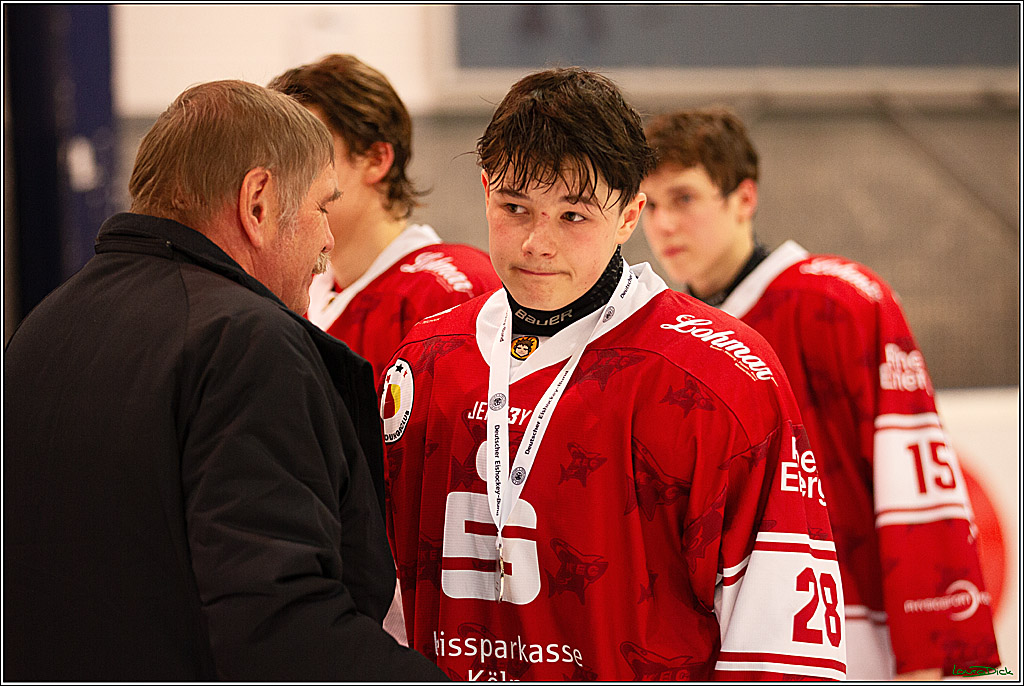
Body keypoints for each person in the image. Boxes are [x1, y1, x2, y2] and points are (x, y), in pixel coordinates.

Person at [379, 67, 848, 681]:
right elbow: (383, 602)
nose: (536, 244)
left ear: (630, 214)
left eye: (573, 216)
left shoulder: (720, 376)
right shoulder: (428, 362)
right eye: (515, 207)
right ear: (486, 189)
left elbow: (783, 638)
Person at [3, 80, 445, 681]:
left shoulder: (45, 326)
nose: (327, 240)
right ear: (258, 202)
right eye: (320, 206)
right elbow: (283, 628)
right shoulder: (246, 342)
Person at [639, 106, 1001, 680]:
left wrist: (933, 652)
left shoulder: (839, 303)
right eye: (650, 205)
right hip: (731, 645)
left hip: (851, 643)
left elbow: (916, 482)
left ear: (744, 198)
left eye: (684, 198)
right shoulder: (665, 335)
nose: (663, 225)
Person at [268, 54, 500, 383]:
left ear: (376, 159)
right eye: (276, 156)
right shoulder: (296, 292)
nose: (281, 176)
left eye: (303, 153)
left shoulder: (451, 291)